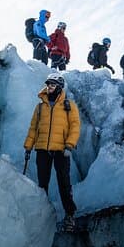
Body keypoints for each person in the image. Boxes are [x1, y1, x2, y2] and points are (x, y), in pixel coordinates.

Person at [23, 72, 81, 232]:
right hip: (42, 149)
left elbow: (75, 127)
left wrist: (70, 145)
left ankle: (70, 215)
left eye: (53, 85)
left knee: (64, 183)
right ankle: (42, 216)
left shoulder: (69, 106)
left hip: (62, 151)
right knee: (42, 184)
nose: (49, 87)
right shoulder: (40, 107)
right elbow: (33, 128)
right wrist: (28, 146)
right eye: (48, 84)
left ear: (59, 87)